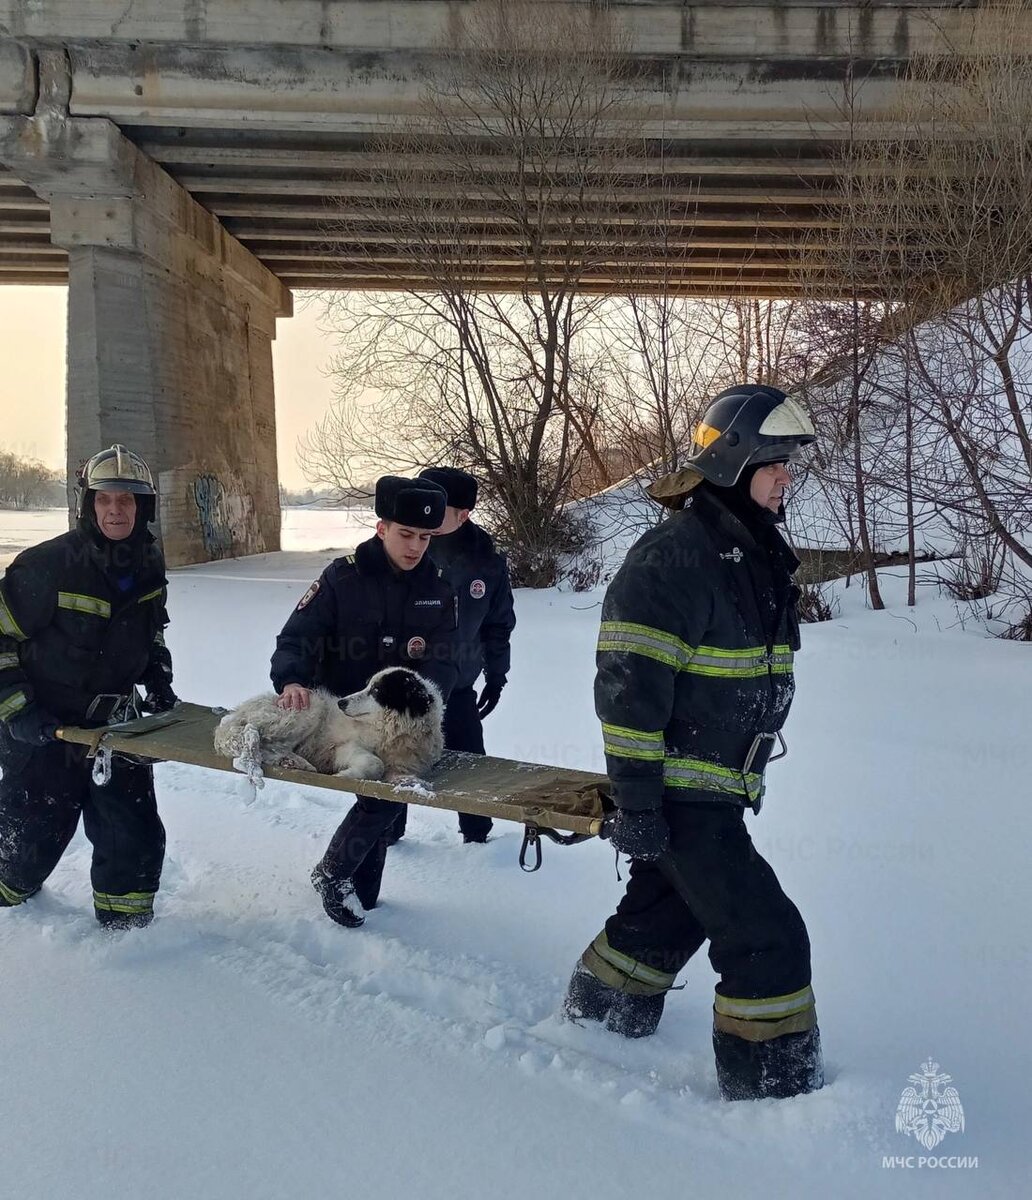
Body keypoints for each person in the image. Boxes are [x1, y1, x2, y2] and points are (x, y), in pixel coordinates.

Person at [562, 384, 825, 1102]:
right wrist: (641, 804)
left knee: (664, 914)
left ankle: (594, 1024)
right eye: (776, 464)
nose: (786, 479)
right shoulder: (675, 559)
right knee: (767, 939)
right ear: (736, 464)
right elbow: (627, 693)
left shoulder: (744, 548)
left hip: (716, 787)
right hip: (682, 793)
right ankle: (774, 1094)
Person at [0, 444, 177, 929]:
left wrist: (157, 679)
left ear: (144, 507)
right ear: (88, 504)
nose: (115, 509)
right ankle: (8, 912)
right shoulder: (45, 566)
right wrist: (18, 712)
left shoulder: (148, 563)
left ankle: (128, 933)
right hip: (46, 730)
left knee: (133, 830)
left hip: (116, 727)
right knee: (28, 842)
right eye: (104, 499)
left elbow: (151, 630)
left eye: (127, 499)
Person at [271, 475, 458, 928]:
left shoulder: (438, 585)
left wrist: (423, 710)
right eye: (406, 534)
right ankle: (336, 875)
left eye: (426, 537)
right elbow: (298, 636)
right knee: (381, 790)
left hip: (400, 721)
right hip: (340, 715)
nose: (416, 547)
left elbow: (448, 661)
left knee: (387, 792)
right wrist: (292, 680)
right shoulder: (343, 577)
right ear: (382, 528)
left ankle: (348, 883)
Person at [384, 466, 515, 845]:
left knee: (470, 760)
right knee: (395, 760)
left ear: (463, 514)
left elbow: (498, 624)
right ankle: (388, 834)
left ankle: (479, 839)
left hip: (457, 685)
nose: (427, 510)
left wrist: (497, 674)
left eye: (439, 506)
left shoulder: (485, 561)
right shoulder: (403, 548)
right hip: (401, 688)